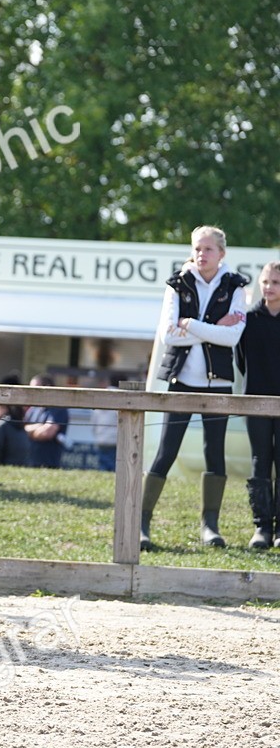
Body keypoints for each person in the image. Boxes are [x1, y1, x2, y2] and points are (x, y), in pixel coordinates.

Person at [140, 225, 247, 550]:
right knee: (166, 451)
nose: (202, 254)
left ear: (222, 253)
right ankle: (141, 524)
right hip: (181, 381)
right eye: (197, 248)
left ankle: (209, 526)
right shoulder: (177, 283)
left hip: (219, 384)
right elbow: (168, 335)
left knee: (215, 453)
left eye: (208, 249)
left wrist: (192, 325)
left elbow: (233, 337)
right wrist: (213, 328)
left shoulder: (236, 285)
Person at [237, 261, 280, 549]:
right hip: (257, 400)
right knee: (259, 462)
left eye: (275, 282)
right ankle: (262, 528)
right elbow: (241, 360)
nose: (268, 287)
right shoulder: (249, 319)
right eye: (265, 281)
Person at [24, 374, 70, 469]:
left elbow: (47, 433)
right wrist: (39, 426)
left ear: (47, 388)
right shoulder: (33, 409)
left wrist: (30, 432)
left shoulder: (58, 409)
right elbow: (22, 429)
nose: (32, 392)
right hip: (30, 462)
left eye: (35, 389)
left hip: (49, 464)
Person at [89, 372, 129, 472]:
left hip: (101, 438)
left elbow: (93, 420)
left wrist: (97, 434)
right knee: (116, 467)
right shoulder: (123, 397)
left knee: (103, 466)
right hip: (116, 439)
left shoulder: (101, 396)